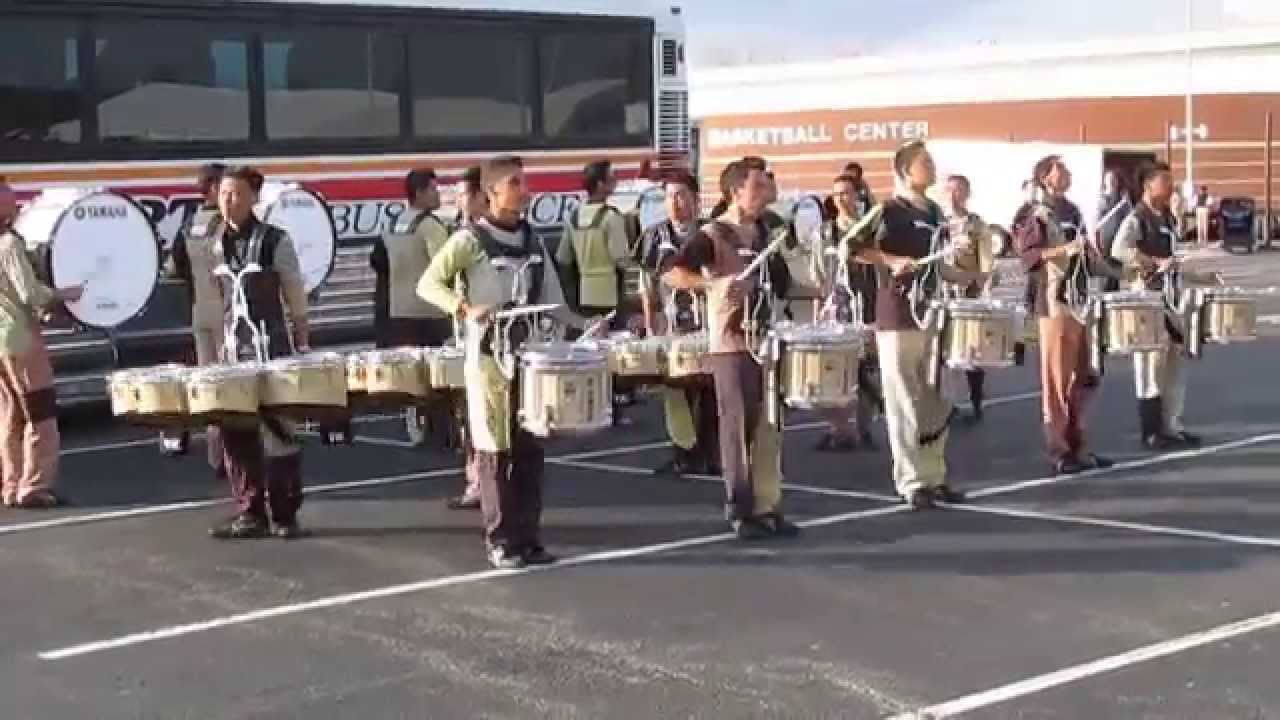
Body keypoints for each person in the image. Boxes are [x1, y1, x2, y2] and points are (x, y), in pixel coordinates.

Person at [419, 155, 595, 569]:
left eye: (525, 182)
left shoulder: (534, 239)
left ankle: (529, 538)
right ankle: (501, 540)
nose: (525, 190)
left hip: (529, 361)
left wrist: (586, 327)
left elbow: (553, 301)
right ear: (492, 193)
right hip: (487, 360)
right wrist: (464, 308)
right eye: (515, 183)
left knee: (530, 450)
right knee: (494, 449)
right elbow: (428, 284)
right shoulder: (468, 240)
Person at [841, 141, 986, 509]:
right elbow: (850, 246)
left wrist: (971, 274)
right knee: (903, 400)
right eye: (925, 162)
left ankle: (935, 475)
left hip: (933, 314)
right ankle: (911, 481)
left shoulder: (936, 212)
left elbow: (939, 265)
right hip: (897, 316)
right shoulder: (887, 210)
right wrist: (891, 260)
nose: (932, 166)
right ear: (906, 171)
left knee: (939, 399)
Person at [664, 159, 799, 540]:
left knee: (770, 427)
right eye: (756, 186)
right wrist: (712, 286)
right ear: (734, 192)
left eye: (766, 185)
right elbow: (672, 272)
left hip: (766, 339)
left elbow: (785, 282)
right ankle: (740, 509)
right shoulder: (713, 234)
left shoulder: (767, 231)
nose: (765, 192)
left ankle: (768, 504)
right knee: (737, 428)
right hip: (731, 343)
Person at [204, 166, 311, 540]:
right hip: (236, 348)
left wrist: (302, 335)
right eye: (222, 194)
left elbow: (294, 290)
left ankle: (285, 513)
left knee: (280, 428)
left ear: (253, 198)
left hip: (272, 344)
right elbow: (220, 296)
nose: (227, 201)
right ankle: (249, 511)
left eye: (235, 194)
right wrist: (221, 343)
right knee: (236, 427)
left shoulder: (274, 240)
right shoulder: (215, 241)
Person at [1112, 162, 1217, 450]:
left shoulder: (1167, 217)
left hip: (1172, 299)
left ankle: (1173, 425)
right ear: (1147, 185)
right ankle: (1151, 430)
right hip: (1147, 298)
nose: (1171, 187)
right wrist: (1152, 262)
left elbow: (1173, 261)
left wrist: (1200, 276)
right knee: (1149, 364)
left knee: (1174, 364)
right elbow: (1118, 249)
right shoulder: (1137, 217)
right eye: (1164, 181)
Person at [1016, 157, 1111, 475]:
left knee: (1083, 377)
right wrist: (1064, 251)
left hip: (1079, 299)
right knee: (1056, 381)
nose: (1068, 174)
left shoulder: (1072, 210)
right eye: (1061, 170)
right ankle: (1059, 448)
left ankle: (1080, 444)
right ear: (1045, 177)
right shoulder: (1034, 213)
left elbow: (1087, 251)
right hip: (1053, 301)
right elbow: (1027, 256)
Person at [0, 182, 83, 509]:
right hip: (22, 339)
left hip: (3, 340)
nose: (19, 208)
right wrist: (64, 294)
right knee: (40, 413)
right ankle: (34, 486)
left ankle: (10, 482)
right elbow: (30, 294)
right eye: (13, 203)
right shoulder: (9, 245)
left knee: (10, 415)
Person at [636, 170, 719, 476]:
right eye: (669, 197)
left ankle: (712, 452)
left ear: (696, 200)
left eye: (682, 195)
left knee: (708, 388)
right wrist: (649, 323)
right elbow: (647, 283)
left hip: (706, 322)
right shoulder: (654, 236)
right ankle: (683, 450)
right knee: (674, 387)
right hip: (671, 322)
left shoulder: (711, 233)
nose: (676, 203)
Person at [370, 169, 456, 449]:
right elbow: (446, 266)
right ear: (419, 193)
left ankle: (416, 424)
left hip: (398, 311)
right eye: (433, 189)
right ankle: (442, 432)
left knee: (414, 375)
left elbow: (378, 261)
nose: (438, 194)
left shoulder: (396, 222)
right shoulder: (430, 226)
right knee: (440, 375)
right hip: (430, 311)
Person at [162, 163, 227, 473]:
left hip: (199, 310)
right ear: (214, 187)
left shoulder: (189, 225)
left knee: (209, 384)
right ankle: (233, 456)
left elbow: (173, 268)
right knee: (233, 384)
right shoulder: (226, 223)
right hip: (228, 312)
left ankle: (216, 455)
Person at [814, 173, 879, 451]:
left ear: (857, 195)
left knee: (867, 369)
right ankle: (839, 429)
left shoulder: (871, 229)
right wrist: (821, 307)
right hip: (837, 306)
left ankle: (865, 429)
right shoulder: (825, 232)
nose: (842, 199)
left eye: (847, 193)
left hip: (867, 303)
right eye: (837, 194)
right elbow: (818, 274)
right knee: (838, 370)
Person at [445, 165, 489, 511]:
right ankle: (474, 479)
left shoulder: (484, 237)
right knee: (466, 414)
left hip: (488, 338)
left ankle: (482, 484)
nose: (458, 200)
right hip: (463, 333)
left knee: (483, 415)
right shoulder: (456, 233)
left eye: (463, 194)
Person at [943, 174, 995, 423]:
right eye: (949, 190)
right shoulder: (938, 222)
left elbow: (986, 262)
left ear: (967, 193)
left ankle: (976, 400)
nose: (953, 195)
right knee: (943, 353)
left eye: (958, 190)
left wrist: (984, 285)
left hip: (968, 293)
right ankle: (945, 404)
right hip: (941, 295)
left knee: (972, 352)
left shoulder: (976, 225)